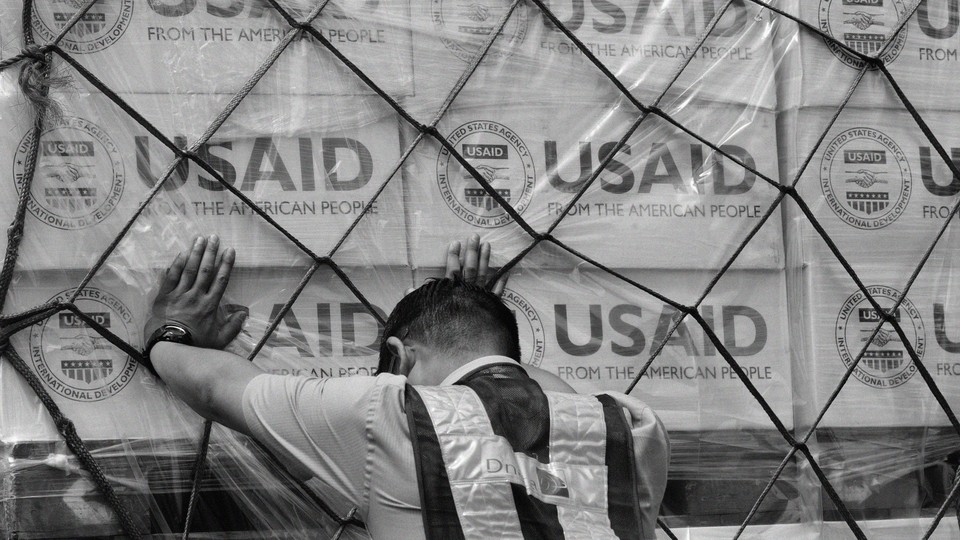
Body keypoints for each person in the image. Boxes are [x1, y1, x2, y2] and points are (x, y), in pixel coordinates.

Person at [142, 233, 670, 539]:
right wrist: (479, 318)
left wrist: (164, 332)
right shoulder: (631, 427)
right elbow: (543, 399)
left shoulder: (389, 412)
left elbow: (217, 388)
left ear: (396, 358)